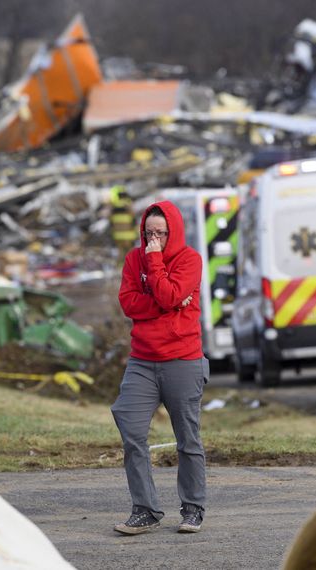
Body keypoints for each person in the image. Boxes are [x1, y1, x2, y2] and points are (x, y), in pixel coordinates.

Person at [111, 201, 208, 535]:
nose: (153, 239)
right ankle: (145, 509)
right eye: (148, 232)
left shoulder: (190, 260)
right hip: (142, 359)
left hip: (182, 359)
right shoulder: (132, 259)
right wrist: (164, 303)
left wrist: (157, 270)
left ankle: (193, 508)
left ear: (173, 232)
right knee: (131, 428)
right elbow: (129, 302)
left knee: (187, 438)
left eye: (161, 233)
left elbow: (170, 295)